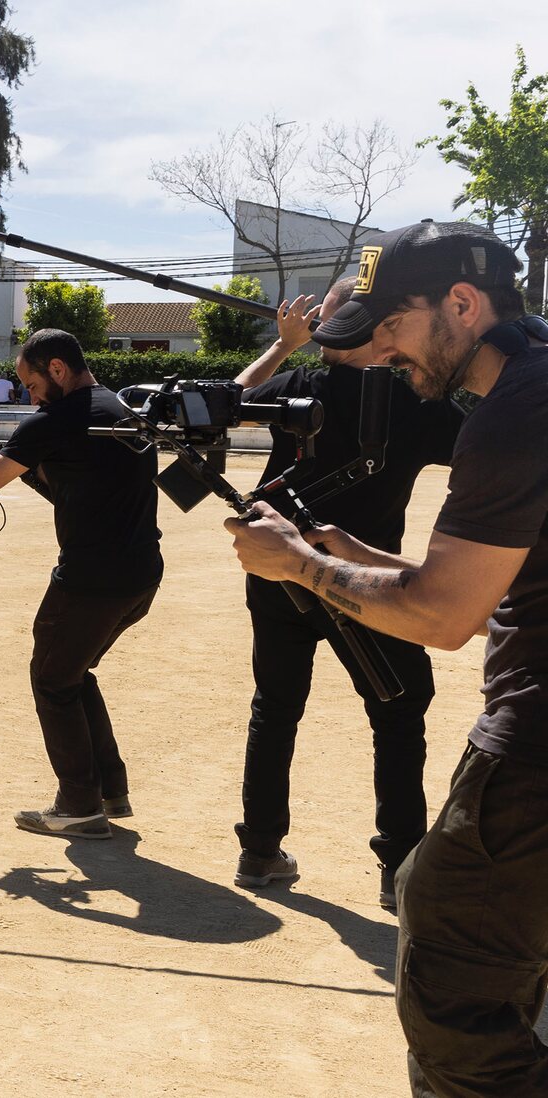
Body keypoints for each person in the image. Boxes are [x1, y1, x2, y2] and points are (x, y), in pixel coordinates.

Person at [225, 221, 548, 1093]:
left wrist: (298, 563)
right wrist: (360, 557)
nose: (382, 350)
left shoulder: (516, 409)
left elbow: (444, 618)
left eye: (393, 326)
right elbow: (493, 597)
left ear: (462, 304)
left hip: (536, 754)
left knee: (452, 980)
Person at [226, 282, 462, 904]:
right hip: (367, 586)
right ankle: (399, 867)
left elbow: (227, 401)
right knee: (399, 714)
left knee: (275, 707)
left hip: (276, 566)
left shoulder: (292, 385)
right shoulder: (417, 403)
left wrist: (282, 347)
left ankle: (259, 850)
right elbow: (490, 446)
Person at [0, 329, 162, 839]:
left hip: (89, 580)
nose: (30, 395)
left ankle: (79, 806)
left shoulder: (55, 418)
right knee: (75, 674)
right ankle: (109, 789)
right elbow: (81, 486)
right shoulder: (122, 409)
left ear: (58, 369)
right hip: (141, 575)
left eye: (32, 383)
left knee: (52, 681)